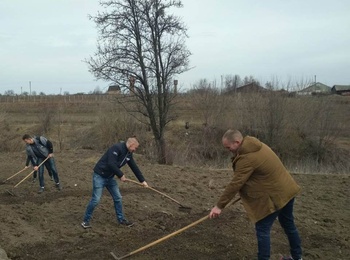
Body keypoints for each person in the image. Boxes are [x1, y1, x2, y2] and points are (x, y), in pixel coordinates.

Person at [209, 129, 302, 260]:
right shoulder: (257, 145)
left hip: (275, 196)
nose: (228, 150)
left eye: (228, 147)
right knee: (288, 225)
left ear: (237, 142)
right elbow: (259, 175)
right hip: (287, 190)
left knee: (262, 229)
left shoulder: (247, 158)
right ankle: (297, 257)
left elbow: (236, 183)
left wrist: (219, 206)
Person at [81, 137, 148, 229]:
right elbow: (111, 163)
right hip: (99, 176)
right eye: (135, 148)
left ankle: (121, 220)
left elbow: (134, 167)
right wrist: (121, 175)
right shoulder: (116, 148)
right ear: (131, 144)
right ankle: (85, 221)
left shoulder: (129, 154)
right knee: (96, 199)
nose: (135, 150)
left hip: (110, 178)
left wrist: (142, 181)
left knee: (118, 198)